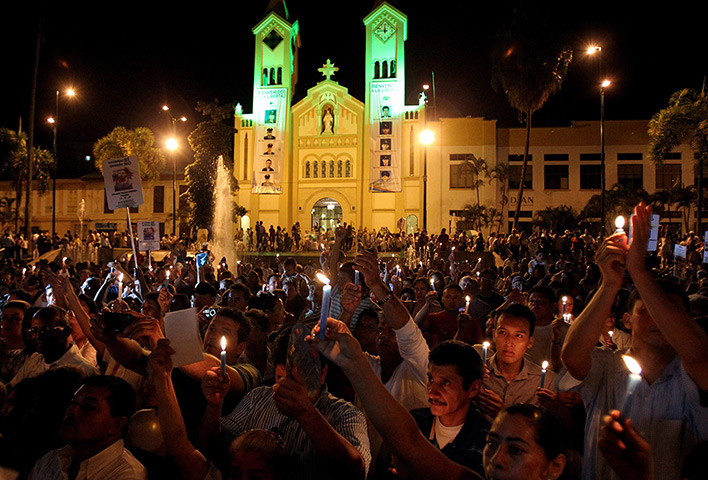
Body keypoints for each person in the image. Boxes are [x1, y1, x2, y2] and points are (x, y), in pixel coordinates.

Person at [561, 203, 708, 480]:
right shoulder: (607, 367)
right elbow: (572, 357)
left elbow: (700, 354)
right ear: (626, 320)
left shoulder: (691, 379)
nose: (658, 321)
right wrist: (609, 283)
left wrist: (639, 272)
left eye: (667, 313)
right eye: (647, 311)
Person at [205, 328, 371, 480]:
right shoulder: (259, 398)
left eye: (295, 382)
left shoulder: (345, 415)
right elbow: (213, 447)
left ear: (321, 374)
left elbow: (355, 470)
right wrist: (214, 407)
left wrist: (305, 413)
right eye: (281, 380)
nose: (286, 389)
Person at [28, 375, 147, 479]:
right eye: (73, 402)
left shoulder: (126, 475)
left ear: (116, 425)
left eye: (88, 407)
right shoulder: (52, 460)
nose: (71, 411)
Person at [409, 341, 490, 476]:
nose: (432, 393)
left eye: (445, 383)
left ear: (473, 388)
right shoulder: (414, 423)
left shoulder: (487, 442)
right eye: (431, 380)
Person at [475, 304, 556, 421]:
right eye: (503, 332)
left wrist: (504, 414)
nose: (509, 342)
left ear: (530, 342)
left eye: (518, 335)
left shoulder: (547, 383)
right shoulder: (476, 374)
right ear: (494, 334)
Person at [10, 306, 98, 387]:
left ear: (66, 332)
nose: (38, 336)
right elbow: (13, 387)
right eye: (34, 330)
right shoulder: (35, 359)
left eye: (47, 330)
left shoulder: (84, 369)